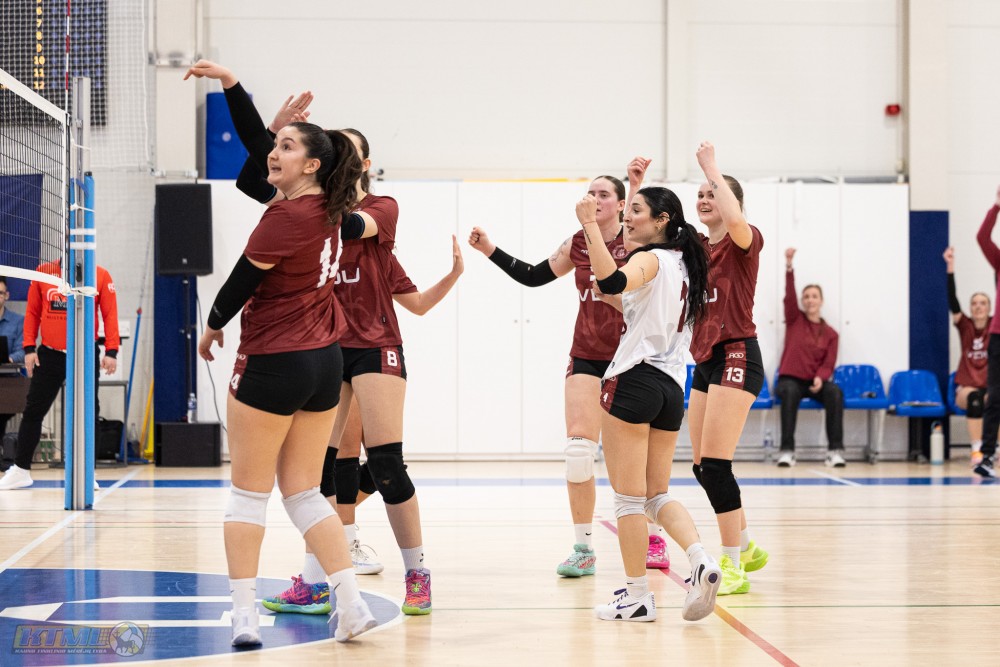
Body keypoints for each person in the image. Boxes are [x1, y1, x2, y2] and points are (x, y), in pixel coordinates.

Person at [206, 67, 445, 615]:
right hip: (328, 343)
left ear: (357, 163)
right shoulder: (312, 207)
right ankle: (321, 580)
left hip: (373, 341)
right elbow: (257, 177)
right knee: (318, 475)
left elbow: (340, 223)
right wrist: (273, 133)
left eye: (346, 149)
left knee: (386, 464)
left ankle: (417, 571)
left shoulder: (372, 209)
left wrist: (275, 141)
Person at [186, 61, 378, 646]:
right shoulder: (331, 210)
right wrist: (234, 87)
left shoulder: (285, 217)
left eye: (287, 147)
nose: (274, 152)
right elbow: (258, 155)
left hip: (275, 360)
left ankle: (244, 619)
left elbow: (240, 282)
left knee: (248, 496)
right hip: (324, 363)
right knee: (304, 493)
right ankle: (350, 605)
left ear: (312, 164)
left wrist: (212, 327)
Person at [469, 173, 672, 577]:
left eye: (604, 194)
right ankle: (583, 548)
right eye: (590, 192)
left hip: (633, 358)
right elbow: (533, 275)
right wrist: (489, 248)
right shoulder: (578, 242)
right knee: (579, 453)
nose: (594, 198)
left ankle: (654, 537)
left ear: (621, 204)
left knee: (641, 461)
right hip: (587, 355)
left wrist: (636, 185)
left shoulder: (637, 244)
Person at [575, 163, 720, 623]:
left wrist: (588, 226)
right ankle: (700, 559)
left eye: (635, 210)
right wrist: (615, 298)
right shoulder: (685, 264)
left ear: (661, 220)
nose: (627, 218)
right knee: (657, 495)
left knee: (628, 500)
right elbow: (635, 304)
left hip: (633, 379)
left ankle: (637, 596)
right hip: (671, 387)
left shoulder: (651, 258)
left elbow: (612, 280)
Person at [686, 141, 768, 596]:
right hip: (705, 360)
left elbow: (735, 221)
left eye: (712, 193)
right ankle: (748, 545)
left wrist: (710, 167)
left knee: (717, 466)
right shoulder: (697, 249)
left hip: (738, 354)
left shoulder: (745, 240)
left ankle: (733, 565)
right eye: (699, 193)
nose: (704, 198)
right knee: (702, 467)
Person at [0, 263, 118, 490]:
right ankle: (21, 470)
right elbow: (33, 312)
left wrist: (112, 351)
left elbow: (109, 313)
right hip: (50, 354)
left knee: (89, 413)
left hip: (84, 352)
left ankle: (87, 473)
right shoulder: (43, 272)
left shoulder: (100, 275)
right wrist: (28, 348)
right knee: (33, 410)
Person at [774, 247, 846, 468]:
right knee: (789, 391)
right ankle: (787, 451)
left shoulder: (832, 334)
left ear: (821, 301)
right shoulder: (794, 319)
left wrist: (821, 378)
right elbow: (789, 296)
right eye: (806, 296)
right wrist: (789, 267)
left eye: (814, 296)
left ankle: (835, 451)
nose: (810, 300)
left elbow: (829, 362)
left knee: (835, 392)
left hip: (815, 382)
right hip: (790, 380)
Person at [943, 247, 991, 467]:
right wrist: (950, 267)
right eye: (974, 303)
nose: (978, 306)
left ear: (989, 308)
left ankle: (995, 449)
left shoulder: (995, 328)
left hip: (990, 386)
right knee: (975, 400)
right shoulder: (965, 325)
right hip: (967, 386)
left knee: (995, 400)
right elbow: (952, 299)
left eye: (983, 303)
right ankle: (976, 449)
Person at [973, 186, 1000, 478]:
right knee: (995, 397)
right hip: (999, 337)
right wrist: (997, 206)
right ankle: (988, 456)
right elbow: (982, 237)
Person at [0, 276, 25, 449]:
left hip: (8, 382)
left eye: (0, 293)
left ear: (7, 295)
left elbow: (23, 351)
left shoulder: (18, 321)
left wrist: (9, 359)